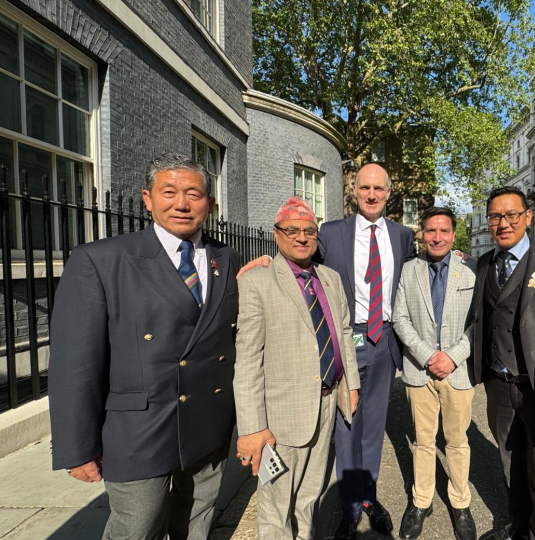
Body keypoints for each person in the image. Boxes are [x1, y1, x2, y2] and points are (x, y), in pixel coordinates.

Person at [48, 153, 240, 539]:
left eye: (193, 194)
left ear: (211, 205)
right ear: (147, 199)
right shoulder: (101, 260)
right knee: (136, 528)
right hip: (140, 428)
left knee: (196, 524)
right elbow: (75, 363)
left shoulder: (227, 258)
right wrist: (77, 447)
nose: (181, 204)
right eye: (168, 192)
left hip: (208, 424)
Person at [238, 163, 416, 540]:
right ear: (354, 191)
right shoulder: (331, 232)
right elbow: (298, 263)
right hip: (345, 341)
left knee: (373, 427)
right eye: (364, 187)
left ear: (389, 192)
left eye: (378, 189)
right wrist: (268, 262)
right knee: (346, 427)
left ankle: (369, 497)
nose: (371, 194)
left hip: (383, 340)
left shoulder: (402, 235)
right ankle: (349, 510)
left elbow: (412, 277)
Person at [233, 196, 360, 539]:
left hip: (326, 402)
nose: (301, 237)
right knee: (276, 508)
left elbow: (344, 332)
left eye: (308, 231)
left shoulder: (330, 278)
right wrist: (251, 427)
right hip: (281, 414)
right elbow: (247, 360)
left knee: (308, 498)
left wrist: (352, 384)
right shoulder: (257, 280)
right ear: (276, 234)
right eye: (292, 230)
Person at [470, 186, 535, 540]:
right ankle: (516, 526)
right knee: (509, 463)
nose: (503, 223)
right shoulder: (484, 264)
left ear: (527, 217)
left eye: (511, 214)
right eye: (495, 217)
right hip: (499, 387)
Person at [392, 207, 477, 540]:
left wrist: (453, 357)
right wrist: (429, 356)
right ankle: (421, 500)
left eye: (443, 231)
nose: (437, 237)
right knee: (423, 443)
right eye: (430, 231)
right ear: (422, 234)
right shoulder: (408, 270)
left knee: (457, 442)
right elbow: (400, 319)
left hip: (458, 373)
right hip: (419, 371)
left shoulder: (471, 269)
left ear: (453, 235)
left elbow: (478, 322)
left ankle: (460, 503)